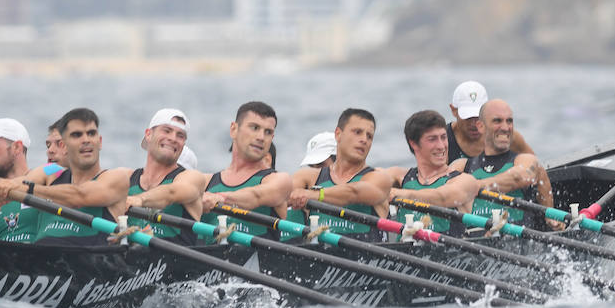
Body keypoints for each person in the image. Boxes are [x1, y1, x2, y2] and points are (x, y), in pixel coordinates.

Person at [0, 108, 131, 245]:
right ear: (64, 145)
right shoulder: (51, 172)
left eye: (91, 133)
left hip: (89, 263)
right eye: (77, 135)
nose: (86, 140)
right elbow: (19, 182)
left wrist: (27, 189)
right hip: (40, 260)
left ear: (99, 141)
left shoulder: (115, 177)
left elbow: (80, 196)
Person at [287, 108, 394, 241]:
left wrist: (313, 195)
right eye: (357, 132)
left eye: (369, 136)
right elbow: (279, 197)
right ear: (338, 134)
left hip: (368, 260)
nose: (364, 140)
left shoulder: (379, 178)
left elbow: (354, 192)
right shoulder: (308, 177)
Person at [460, 99, 559, 230]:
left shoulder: (525, 160)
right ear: (480, 126)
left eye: (509, 121)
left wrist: (475, 186)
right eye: (497, 121)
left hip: (517, 242)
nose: (506, 128)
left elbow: (520, 177)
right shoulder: (462, 166)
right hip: (472, 242)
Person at [199, 101, 292, 240]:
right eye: (254, 128)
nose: (261, 137)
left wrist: (220, 198)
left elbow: (256, 196)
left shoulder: (279, 180)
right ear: (233, 130)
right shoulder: (205, 181)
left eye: (268, 132)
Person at [384, 110, 480, 236]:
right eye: (432, 139)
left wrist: (397, 194)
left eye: (443, 137)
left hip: (453, 254)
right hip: (406, 252)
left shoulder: (465, 181)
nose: (441, 146)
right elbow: (364, 180)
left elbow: (442, 197)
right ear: (414, 143)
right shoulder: (400, 176)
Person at [124, 108, 205, 245]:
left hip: (175, 262)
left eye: (180, 135)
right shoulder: (126, 177)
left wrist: (140, 200)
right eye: (166, 131)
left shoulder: (192, 178)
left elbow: (171, 192)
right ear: (148, 134)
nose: (173, 138)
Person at [446, 80, 533, 163]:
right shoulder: (442, 141)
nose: (474, 124)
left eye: (478, 116)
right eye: (468, 117)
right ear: (454, 110)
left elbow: (536, 167)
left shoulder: (510, 137)